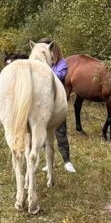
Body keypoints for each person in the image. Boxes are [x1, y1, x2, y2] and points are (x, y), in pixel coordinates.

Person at [39, 38, 76, 173]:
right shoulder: (38, 64)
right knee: (43, 133)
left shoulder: (62, 63)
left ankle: (67, 161)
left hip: (56, 104)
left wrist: (42, 70)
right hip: (42, 104)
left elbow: (59, 75)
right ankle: (50, 162)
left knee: (61, 132)